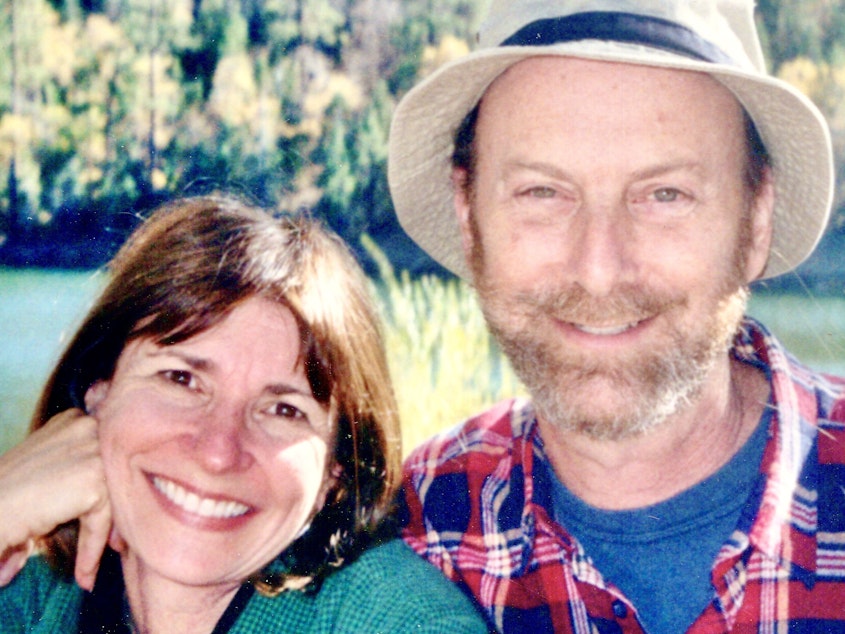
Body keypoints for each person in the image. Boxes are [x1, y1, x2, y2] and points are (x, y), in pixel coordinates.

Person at [388, 1, 845, 632]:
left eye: (665, 195)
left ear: (756, 219)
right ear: (469, 218)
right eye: (542, 192)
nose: (599, 270)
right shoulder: (414, 528)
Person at [0, 195, 488, 633]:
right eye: (182, 379)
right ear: (99, 392)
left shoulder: (400, 621)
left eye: (282, 409)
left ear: (334, 472)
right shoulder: (32, 594)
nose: (217, 452)